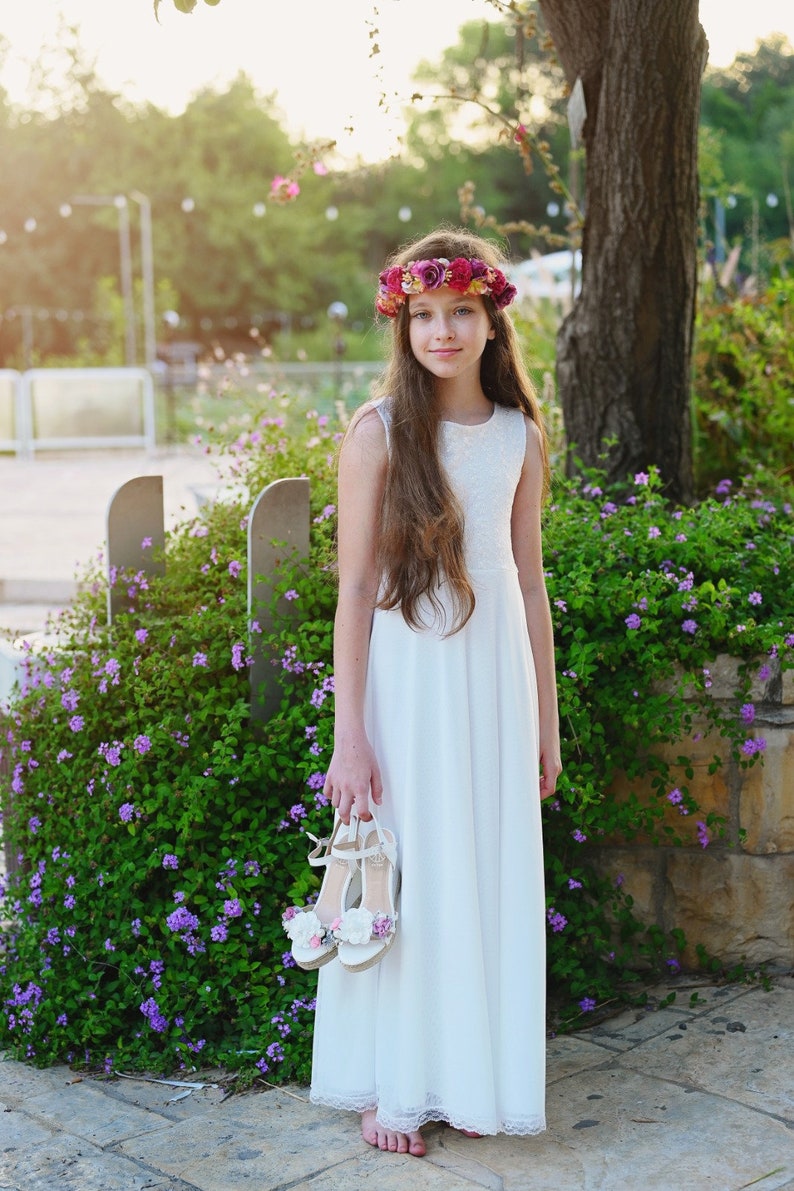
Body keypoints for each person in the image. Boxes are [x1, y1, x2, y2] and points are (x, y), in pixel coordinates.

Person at [309, 226, 561, 1157]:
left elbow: (529, 583)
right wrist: (350, 738)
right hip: (409, 695)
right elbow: (354, 595)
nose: (443, 332)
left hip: (494, 690)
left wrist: (548, 719)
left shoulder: (520, 435)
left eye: (461, 312)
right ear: (403, 323)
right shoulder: (378, 434)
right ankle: (395, 1083)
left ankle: (469, 1075)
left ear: (493, 320)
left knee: (482, 873)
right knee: (411, 877)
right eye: (425, 315)